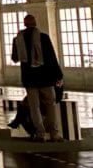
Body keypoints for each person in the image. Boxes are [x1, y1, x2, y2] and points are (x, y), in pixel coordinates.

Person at [10, 14, 64, 142]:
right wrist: (59, 76)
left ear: (24, 24)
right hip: (45, 78)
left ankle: (40, 134)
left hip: (29, 79)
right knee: (51, 105)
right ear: (35, 23)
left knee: (35, 108)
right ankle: (55, 134)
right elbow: (52, 58)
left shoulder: (18, 39)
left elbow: (15, 58)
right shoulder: (44, 37)